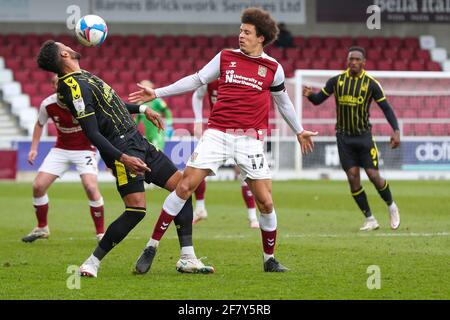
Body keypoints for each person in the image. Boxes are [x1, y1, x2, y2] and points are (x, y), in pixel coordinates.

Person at [129, 7, 317, 273]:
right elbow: (196, 80)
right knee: (184, 187)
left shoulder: (274, 68)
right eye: (240, 30)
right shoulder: (226, 57)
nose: (240, 35)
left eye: (247, 32)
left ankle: (269, 259)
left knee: (266, 201)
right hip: (217, 134)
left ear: (261, 37)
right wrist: (157, 92)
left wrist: (299, 130)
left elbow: (283, 102)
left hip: (250, 139)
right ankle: (151, 246)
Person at [36, 40, 214, 277]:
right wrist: (122, 158)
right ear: (64, 53)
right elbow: (92, 132)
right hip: (122, 148)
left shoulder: (84, 75)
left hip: (138, 140)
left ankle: (187, 258)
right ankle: (92, 262)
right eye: (64, 44)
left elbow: (113, 104)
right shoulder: (73, 86)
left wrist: (143, 110)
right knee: (136, 210)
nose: (69, 44)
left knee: (183, 188)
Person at [303, 46, 401, 231]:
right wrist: (310, 96)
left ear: (363, 62)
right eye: (351, 59)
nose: (354, 62)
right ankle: (370, 219)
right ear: (347, 61)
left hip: (364, 137)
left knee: (373, 176)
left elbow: (386, 108)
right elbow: (318, 100)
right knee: (353, 177)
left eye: (357, 59)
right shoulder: (337, 81)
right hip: (343, 137)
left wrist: (396, 130)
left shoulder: (371, 84)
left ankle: (391, 206)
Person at [22, 74, 105, 243]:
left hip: (85, 150)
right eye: (56, 83)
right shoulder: (48, 104)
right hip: (61, 149)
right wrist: (33, 148)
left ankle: (101, 234)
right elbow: (39, 124)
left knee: (90, 187)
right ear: (53, 86)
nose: (60, 86)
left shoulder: (81, 101)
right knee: (38, 186)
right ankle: (42, 227)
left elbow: (100, 123)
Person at [192, 80, 259, 228]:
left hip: (240, 132)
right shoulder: (209, 79)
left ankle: (253, 217)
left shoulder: (240, 80)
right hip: (216, 132)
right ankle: (200, 208)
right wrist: (198, 120)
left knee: (244, 174)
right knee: (196, 168)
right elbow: (197, 96)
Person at [135, 80, 173, 151]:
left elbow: (167, 111)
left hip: (157, 131)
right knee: (150, 154)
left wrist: (169, 124)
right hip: (147, 132)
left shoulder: (156, 100)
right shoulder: (140, 103)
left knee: (158, 152)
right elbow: (137, 119)